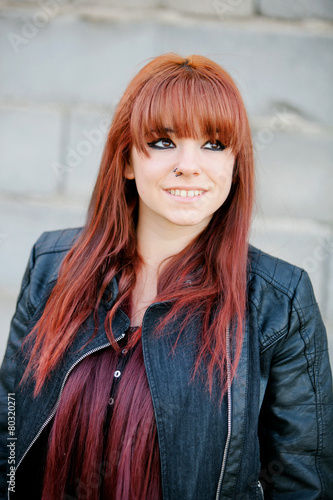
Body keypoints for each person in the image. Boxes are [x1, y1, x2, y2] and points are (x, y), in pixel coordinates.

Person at [0, 53, 332, 500]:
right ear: (127, 161)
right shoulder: (52, 265)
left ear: (235, 166)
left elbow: (301, 485)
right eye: (162, 141)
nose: (189, 165)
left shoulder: (279, 303)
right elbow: (10, 430)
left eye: (213, 144)